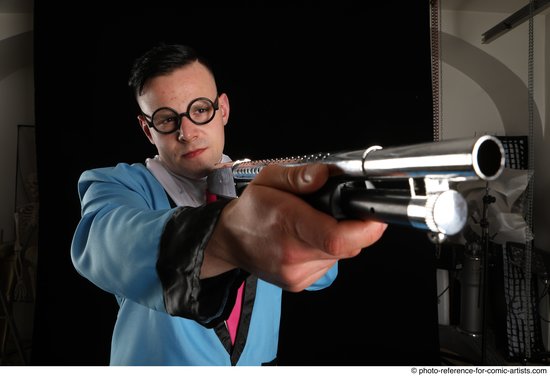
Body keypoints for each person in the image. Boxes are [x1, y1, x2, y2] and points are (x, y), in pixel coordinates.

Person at [70, 43, 387, 366]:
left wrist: (323, 215)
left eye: (200, 110)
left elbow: (321, 277)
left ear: (222, 109)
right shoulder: (117, 184)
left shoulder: (264, 182)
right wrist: (225, 234)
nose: (188, 132)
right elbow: (103, 244)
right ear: (147, 129)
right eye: (167, 119)